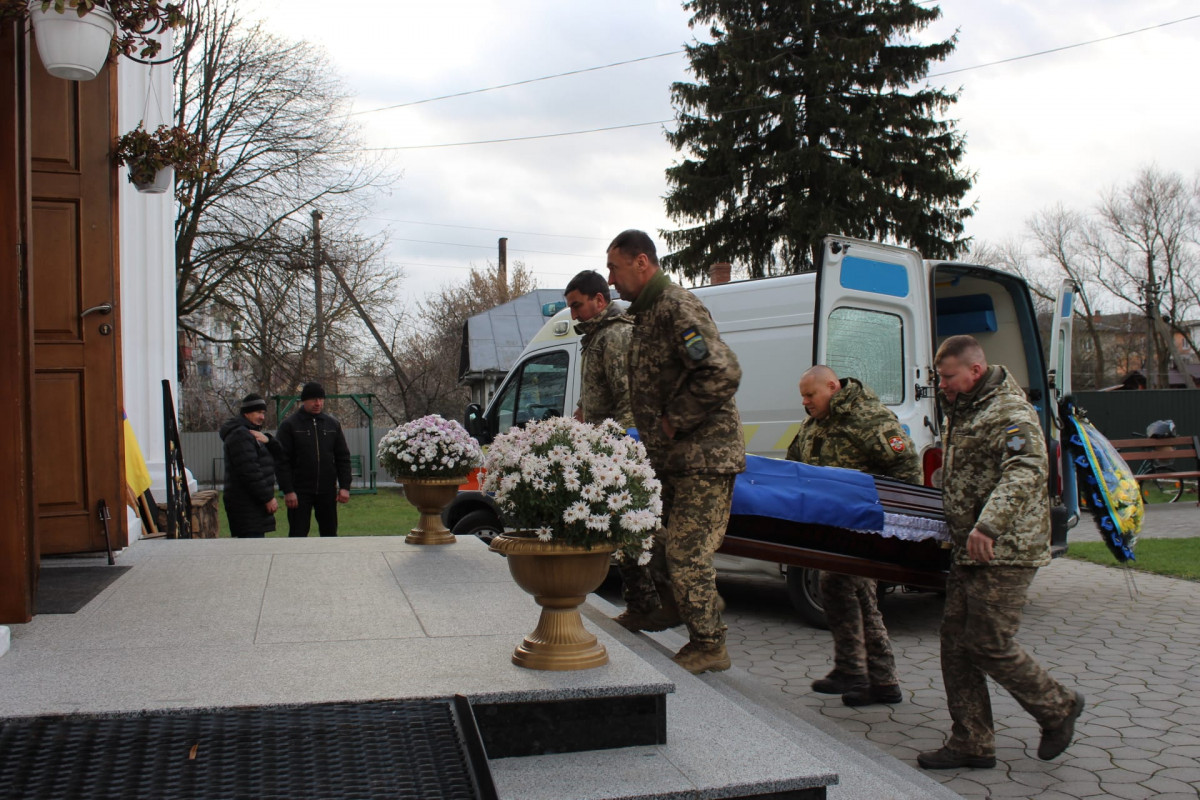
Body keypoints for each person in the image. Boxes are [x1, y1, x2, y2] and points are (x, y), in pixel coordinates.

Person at [918, 335, 1084, 770]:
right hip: (970, 548)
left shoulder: (1009, 412)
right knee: (955, 645)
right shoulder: (966, 408)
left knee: (988, 643)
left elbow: (1026, 471)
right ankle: (972, 741)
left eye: (949, 376)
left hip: (1005, 548)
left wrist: (988, 524)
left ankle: (1058, 707)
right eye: (939, 377)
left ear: (975, 370)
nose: (943, 385)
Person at [606, 229, 745, 674]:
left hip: (704, 457)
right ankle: (657, 608)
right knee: (638, 534)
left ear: (642, 262)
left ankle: (709, 642)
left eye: (615, 267)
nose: (611, 279)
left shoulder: (677, 307)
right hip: (669, 458)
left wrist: (674, 419)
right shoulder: (645, 316)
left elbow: (722, 371)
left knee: (687, 552)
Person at [785, 365, 921, 707]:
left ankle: (879, 679)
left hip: (866, 527)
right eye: (802, 396)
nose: (805, 402)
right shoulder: (815, 422)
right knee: (836, 586)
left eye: (810, 394)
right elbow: (795, 463)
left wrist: (888, 523)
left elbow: (908, 469)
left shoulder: (869, 418)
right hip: (834, 529)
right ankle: (854, 671)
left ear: (832, 387)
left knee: (859, 593)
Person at [275, 381, 352, 537]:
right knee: (298, 534)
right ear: (304, 401)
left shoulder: (332, 425)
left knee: (329, 534)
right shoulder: (289, 425)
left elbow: (342, 457)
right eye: (313, 399)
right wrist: (288, 490)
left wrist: (345, 486)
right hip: (299, 491)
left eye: (321, 399)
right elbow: (281, 461)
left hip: (327, 490)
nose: (318, 403)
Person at [564, 269, 634, 429]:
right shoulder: (598, 335)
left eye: (577, 306)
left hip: (616, 445)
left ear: (599, 300)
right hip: (603, 442)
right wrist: (582, 409)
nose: (574, 316)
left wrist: (623, 446)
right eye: (571, 309)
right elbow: (600, 388)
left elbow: (628, 402)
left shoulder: (615, 335)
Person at [219, 393, 282, 538]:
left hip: (251, 505)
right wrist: (267, 498)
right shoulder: (240, 435)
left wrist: (268, 441)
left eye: (263, 413)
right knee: (251, 550)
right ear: (247, 413)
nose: (262, 417)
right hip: (246, 505)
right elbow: (250, 471)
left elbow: (281, 455)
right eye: (258, 412)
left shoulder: (251, 434)